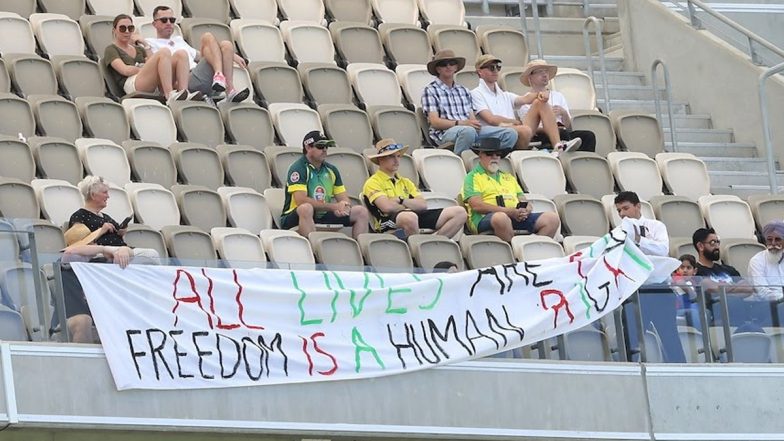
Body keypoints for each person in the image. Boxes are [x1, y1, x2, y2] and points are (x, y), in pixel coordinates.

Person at [362, 139, 466, 239]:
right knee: (410, 217)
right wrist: (409, 205)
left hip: (412, 215)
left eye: (398, 156)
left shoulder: (406, 182)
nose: (396, 160)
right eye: (391, 156)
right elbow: (387, 208)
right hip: (386, 222)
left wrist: (401, 200)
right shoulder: (372, 182)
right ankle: (419, 248)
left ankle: (434, 242)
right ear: (380, 159)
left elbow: (422, 205)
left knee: (460, 213)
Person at [142, 5, 250, 102]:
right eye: (164, 20)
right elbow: (152, 67)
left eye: (172, 20)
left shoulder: (178, 40)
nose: (169, 23)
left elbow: (202, 55)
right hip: (186, 81)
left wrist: (231, 54)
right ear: (154, 24)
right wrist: (143, 44)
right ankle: (221, 78)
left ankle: (228, 88)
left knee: (226, 45)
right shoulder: (150, 43)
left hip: (203, 78)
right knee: (207, 37)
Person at [460, 138, 560, 241]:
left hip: (514, 215)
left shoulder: (509, 177)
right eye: (489, 154)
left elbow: (523, 199)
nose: (494, 157)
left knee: (551, 219)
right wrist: (508, 211)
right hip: (484, 218)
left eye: (498, 154)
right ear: (480, 155)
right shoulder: (472, 177)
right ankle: (512, 252)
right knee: (501, 217)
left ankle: (532, 250)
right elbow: (477, 206)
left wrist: (526, 210)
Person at [421, 49, 518, 155]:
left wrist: (473, 124)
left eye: (452, 63)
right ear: (438, 69)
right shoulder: (430, 90)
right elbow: (435, 122)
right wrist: (461, 123)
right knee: (468, 131)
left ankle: (490, 160)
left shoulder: (463, 90)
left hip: (469, 129)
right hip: (445, 133)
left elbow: (471, 117)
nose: (448, 66)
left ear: (456, 67)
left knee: (510, 133)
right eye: (444, 64)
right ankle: (461, 164)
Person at [281, 131, 369, 239]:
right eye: (320, 146)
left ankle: (360, 251)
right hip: (295, 216)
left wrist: (343, 208)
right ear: (308, 147)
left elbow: (344, 199)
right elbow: (301, 201)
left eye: (326, 146)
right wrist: (333, 207)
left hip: (322, 214)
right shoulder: (298, 168)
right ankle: (311, 251)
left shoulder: (332, 170)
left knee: (361, 212)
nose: (324, 150)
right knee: (306, 208)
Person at [67, 175, 160, 264]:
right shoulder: (79, 216)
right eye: (104, 192)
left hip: (123, 250)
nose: (108, 196)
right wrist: (101, 231)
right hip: (104, 254)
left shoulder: (106, 217)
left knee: (152, 255)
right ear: (93, 195)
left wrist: (121, 231)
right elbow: (78, 244)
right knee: (150, 255)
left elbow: (118, 233)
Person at [104, 14, 191, 105]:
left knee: (182, 54)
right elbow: (125, 70)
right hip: (131, 83)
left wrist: (145, 44)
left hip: (147, 80)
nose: (127, 31)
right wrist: (142, 68)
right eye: (122, 28)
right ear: (114, 30)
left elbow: (153, 62)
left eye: (130, 28)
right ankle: (169, 95)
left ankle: (184, 91)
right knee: (164, 52)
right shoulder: (111, 49)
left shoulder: (139, 49)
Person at [517, 59, 596, 153]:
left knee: (588, 136)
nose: (544, 75)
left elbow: (568, 126)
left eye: (546, 71)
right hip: (542, 135)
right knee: (562, 133)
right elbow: (529, 128)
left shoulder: (558, 96)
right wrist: (550, 126)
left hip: (563, 131)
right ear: (530, 77)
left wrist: (563, 113)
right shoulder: (525, 100)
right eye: (540, 72)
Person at [614, 191, 669, 256]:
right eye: (619, 210)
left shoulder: (656, 225)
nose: (622, 214)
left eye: (626, 208)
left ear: (638, 206)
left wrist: (638, 239)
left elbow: (663, 251)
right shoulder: (618, 232)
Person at [747, 220, 784, 301]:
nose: (773, 243)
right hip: (764, 308)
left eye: (777, 239)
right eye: (769, 239)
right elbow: (762, 292)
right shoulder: (757, 261)